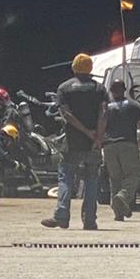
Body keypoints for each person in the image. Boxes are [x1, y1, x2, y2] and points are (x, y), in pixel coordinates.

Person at [41, 53, 107, 231]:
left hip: (71, 143)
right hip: (93, 143)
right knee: (92, 180)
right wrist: (97, 137)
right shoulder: (99, 88)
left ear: (73, 68)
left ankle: (61, 216)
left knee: (65, 179)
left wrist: (85, 131)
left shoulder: (64, 88)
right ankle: (90, 220)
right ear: (91, 68)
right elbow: (103, 114)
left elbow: (67, 115)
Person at [103, 79, 140, 221]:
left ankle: (119, 213)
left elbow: (100, 125)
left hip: (109, 146)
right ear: (125, 90)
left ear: (111, 91)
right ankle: (123, 195)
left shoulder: (105, 107)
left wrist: (98, 143)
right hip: (127, 144)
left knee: (114, 178)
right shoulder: (134, 106)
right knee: (134, 174)